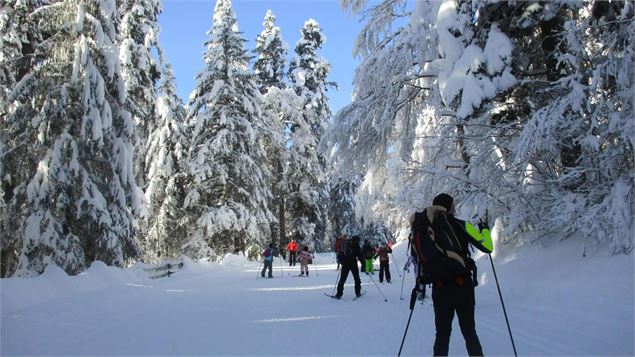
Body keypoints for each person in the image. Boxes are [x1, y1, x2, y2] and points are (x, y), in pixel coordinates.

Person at [413, 193, 493, 357]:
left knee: (442, 334)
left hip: (440, 287)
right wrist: (484, 229)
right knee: (469, 332)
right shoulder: (460, 224)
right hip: (463, 286)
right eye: (453, 205)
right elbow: (488, 247)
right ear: (449, 207)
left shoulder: (424, 229)